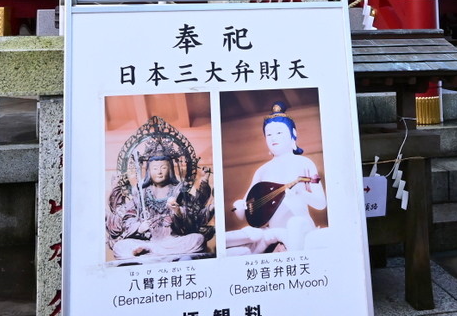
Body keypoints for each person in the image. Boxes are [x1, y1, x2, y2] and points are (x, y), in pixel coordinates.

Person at [224, 101, 325, 255]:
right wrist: (239, 207)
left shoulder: (304, 163)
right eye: (269, 134)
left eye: (279, 133)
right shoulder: (262, 171)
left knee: (295, 223)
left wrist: (301, 194)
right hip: (273, 233)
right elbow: (248, 210)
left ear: (293, 134)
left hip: (300, 227)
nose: (273, 138)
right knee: (246, 241)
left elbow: (321, 203)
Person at [105, 120, 213, 262]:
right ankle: (150, 250)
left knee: (197, 239)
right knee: (121, 246)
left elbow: (191, 222)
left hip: (172, 241)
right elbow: (128, 217)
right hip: (146, 240)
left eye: (164, 168)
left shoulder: (179, 191)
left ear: (170, 171)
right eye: (155, 168)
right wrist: (139, 227)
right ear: (149, 171)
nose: (160, 172)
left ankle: (150, 253)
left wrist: (178, 212)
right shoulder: (141, 194)